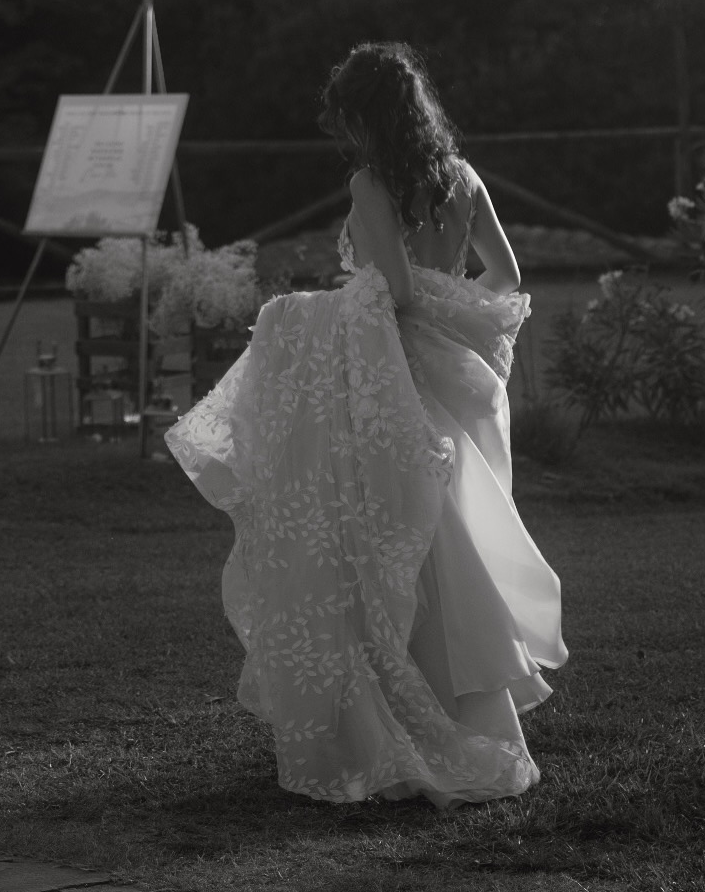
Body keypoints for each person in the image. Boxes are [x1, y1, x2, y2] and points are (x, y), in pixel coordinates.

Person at [166, 42, 567, 807]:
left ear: (363, 117)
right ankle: (473, 710)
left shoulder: (373, 181)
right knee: (450, 531)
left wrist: (315, 316)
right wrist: (465, 314)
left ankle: (407, 722)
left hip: (394, 371)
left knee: (391, 531)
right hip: (455, 371)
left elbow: (396, 290)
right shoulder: (465, 178)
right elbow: (506, 277)